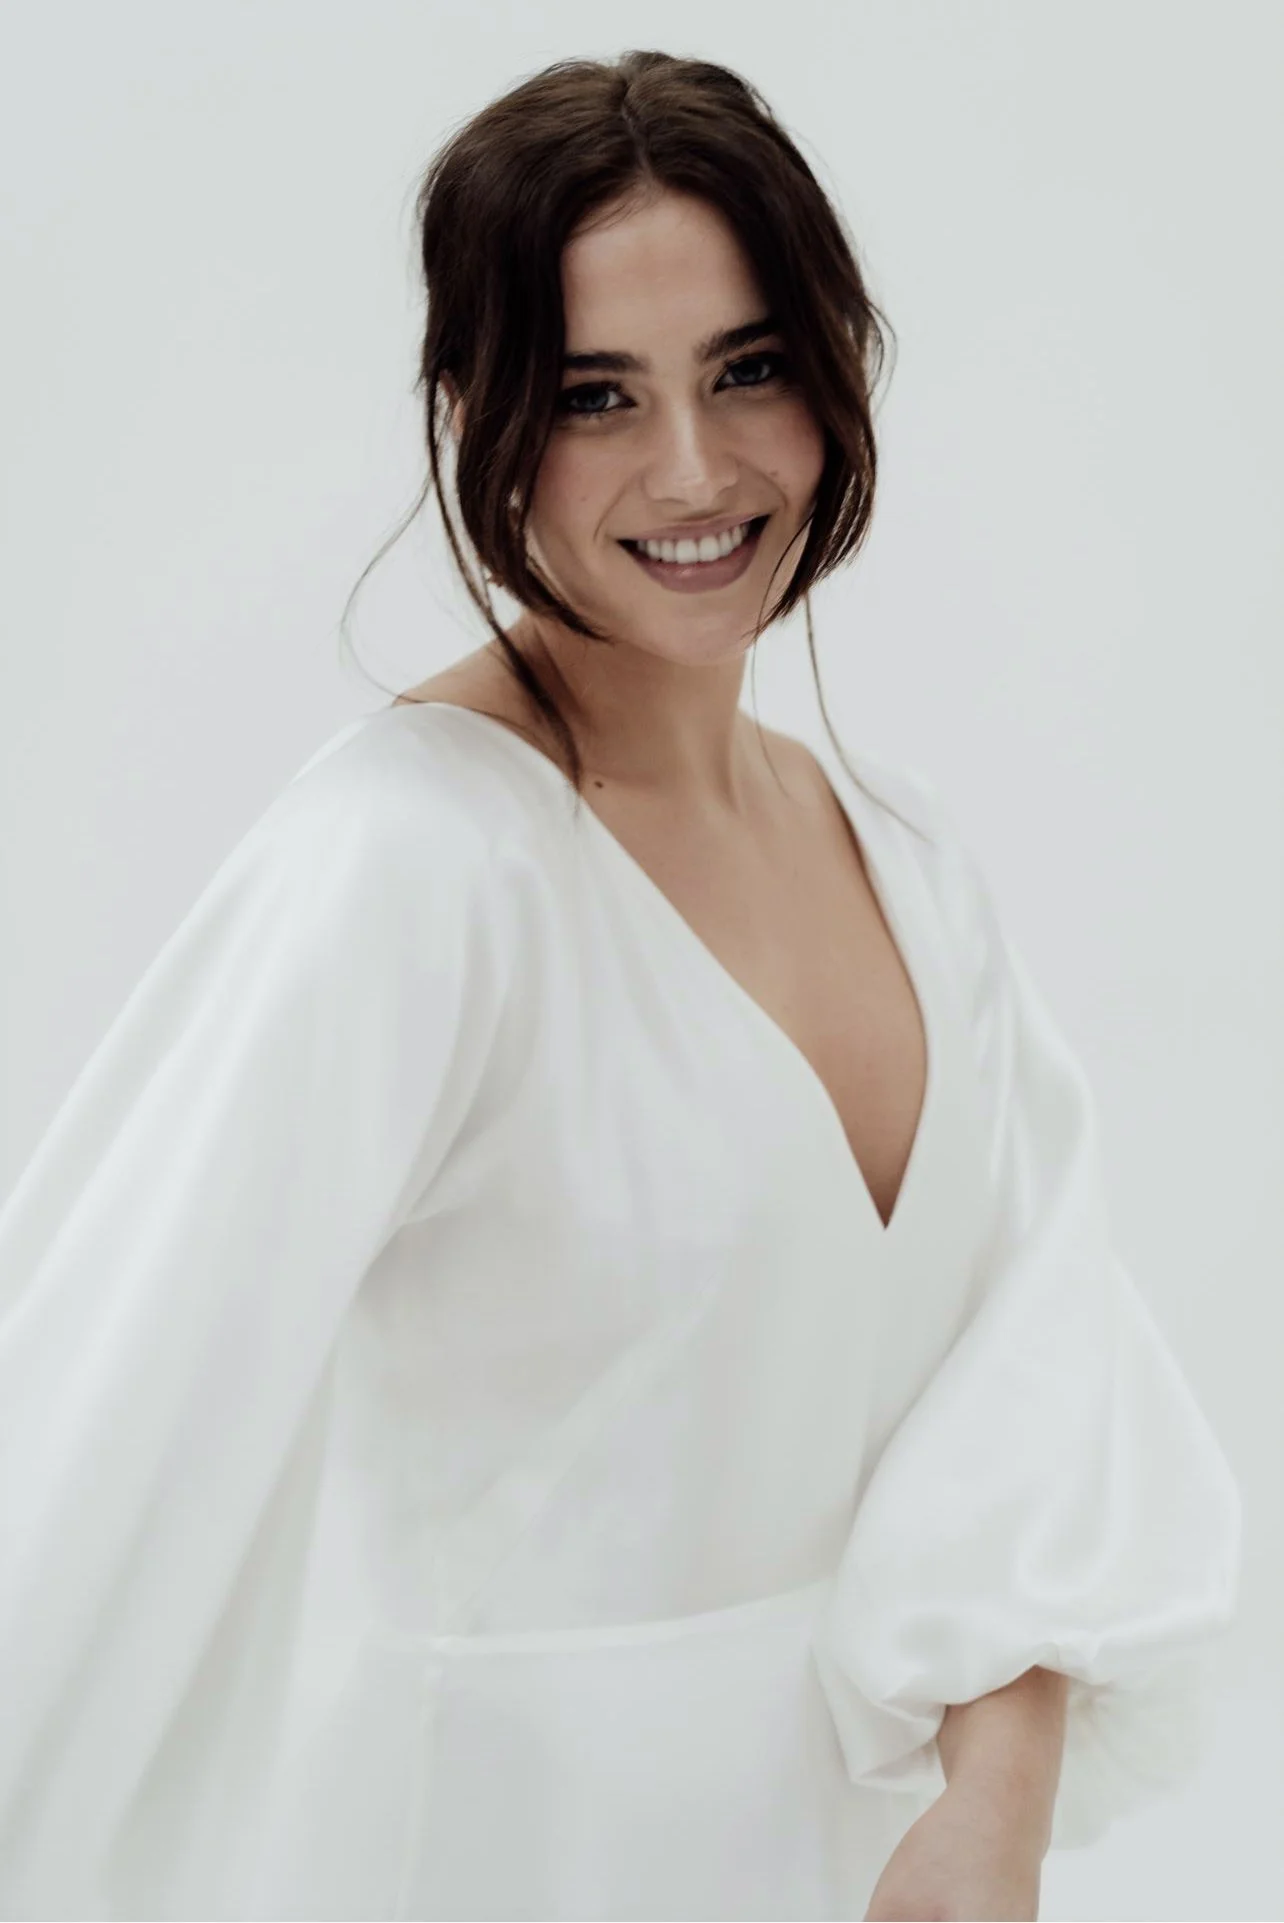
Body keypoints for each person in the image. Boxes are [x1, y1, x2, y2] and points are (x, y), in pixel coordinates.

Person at [0, 50, 1240, 1923]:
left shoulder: (906, 866)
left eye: (746, 367)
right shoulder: (413, 870)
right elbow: (81, 1444)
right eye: (596, 396)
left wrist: (992, 1806)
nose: (693, 467)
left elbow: (1038, 1377)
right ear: (476, 416)